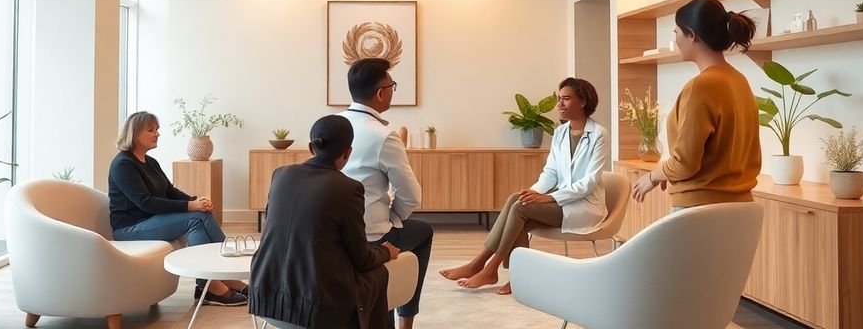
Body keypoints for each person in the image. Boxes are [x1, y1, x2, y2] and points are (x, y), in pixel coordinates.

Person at [441, 78, 609, 295]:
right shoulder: (560, 132)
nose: (560, 104)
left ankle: (487, 267)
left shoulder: (599, 134)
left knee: (520, 208)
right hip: (563, 201)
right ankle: (513, 275)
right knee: (517, 200)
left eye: (566, 99)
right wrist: (534, 192)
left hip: (584, 207)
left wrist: (549, 198)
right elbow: (551, 173)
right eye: (559, 99)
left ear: (583, 101)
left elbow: (588, 183)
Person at [249, 115, 401, 329]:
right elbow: (362, 259)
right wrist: (386, 251)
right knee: (377, 273)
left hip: (265, 297)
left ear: (311, 147)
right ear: (348, 153)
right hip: (315, 308)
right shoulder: (348, 188)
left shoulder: (280, 174)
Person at [631, 0, 761, 209]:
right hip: (741, 207)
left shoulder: (701, 87)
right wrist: (667, 172)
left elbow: (685, 163)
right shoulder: (740, 81)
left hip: (698, 209)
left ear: (691, 35)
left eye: (676, 32)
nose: (676, 39)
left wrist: (653, 176)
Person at [108, 111, 248, 306]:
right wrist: (191, 206)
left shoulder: (151, 162)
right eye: (151, 130)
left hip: (150, 221)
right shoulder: (123, 164)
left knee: (201, 214)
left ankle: (217, 280)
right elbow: (146, 203)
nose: (157, 134)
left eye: (157, 130)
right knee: (194, 218)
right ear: (134, 133)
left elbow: (169, 191)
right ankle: (215, 283)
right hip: (131, 228)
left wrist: (197, 201)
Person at [340, 58, 432, 329]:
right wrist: (393, 218)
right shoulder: (383, 135)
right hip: (372, 236)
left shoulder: (334, 125)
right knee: (423, 232)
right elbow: (411, 195)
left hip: (333, 234)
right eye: (392, 85)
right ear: (381, 93)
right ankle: (406, 320)